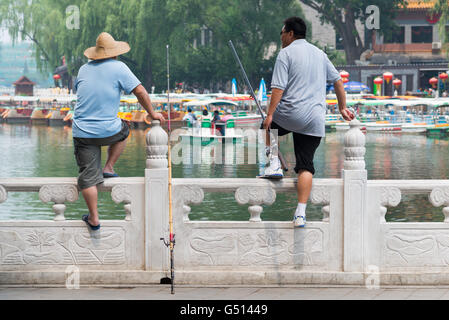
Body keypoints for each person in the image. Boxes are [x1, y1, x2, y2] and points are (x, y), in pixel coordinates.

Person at [263, 17, 354, 228]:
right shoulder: (320, 54)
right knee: (306, 166)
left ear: (291, 33)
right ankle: (301, 213)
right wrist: (342, 108)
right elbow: (338, 81)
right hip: (314, 119)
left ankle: (275, 164)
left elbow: (278, 88)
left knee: (267, 127)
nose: (282, 37)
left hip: (290, 114)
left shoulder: (285, 54)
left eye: (282, 33)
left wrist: (269, 115)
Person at [73, 32, 165, 230]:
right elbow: (140, 91)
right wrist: (152, 113)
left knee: (88, 176)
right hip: (110, 130)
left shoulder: (83, 69)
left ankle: (94, 218)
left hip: (82, 132)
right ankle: (108, 167)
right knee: (125, 128)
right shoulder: (120, 67)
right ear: (115, 53)